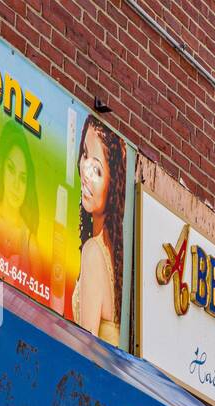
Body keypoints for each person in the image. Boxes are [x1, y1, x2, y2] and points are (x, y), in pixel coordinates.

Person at [72, 115, 125, 347]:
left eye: (97, 169)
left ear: (112, 184)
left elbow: (85, 350)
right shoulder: (117, 256)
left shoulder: (94, 252)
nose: (86, 172)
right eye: (84, 154)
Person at [0, 124, 39, 275]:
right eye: (11, 169)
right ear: (2, 170)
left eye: (23, 178)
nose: (16, 185)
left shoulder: (31, 246)